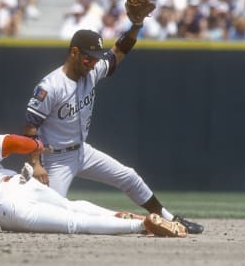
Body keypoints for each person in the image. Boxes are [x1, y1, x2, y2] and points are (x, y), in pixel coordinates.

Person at [22, 25, 204, 234]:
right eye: (88, 58)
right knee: (49, 216)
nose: (93, 64)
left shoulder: (91, 72)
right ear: (74, 52)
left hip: (82, 151)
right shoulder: (51, 86)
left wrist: (136, 25)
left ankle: (169, 219)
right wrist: (35, 164)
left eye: (96, 59)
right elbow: (29, 128)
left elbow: (119, 51)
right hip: (55, 159)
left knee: (129, 176)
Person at [0, 115, 187, 237]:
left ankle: (143, 225)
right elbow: (14, 142)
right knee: (75, 208)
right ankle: (142, 219)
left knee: (75, 223)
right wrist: (37, 146)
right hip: (20, 188)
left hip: (10, 208)